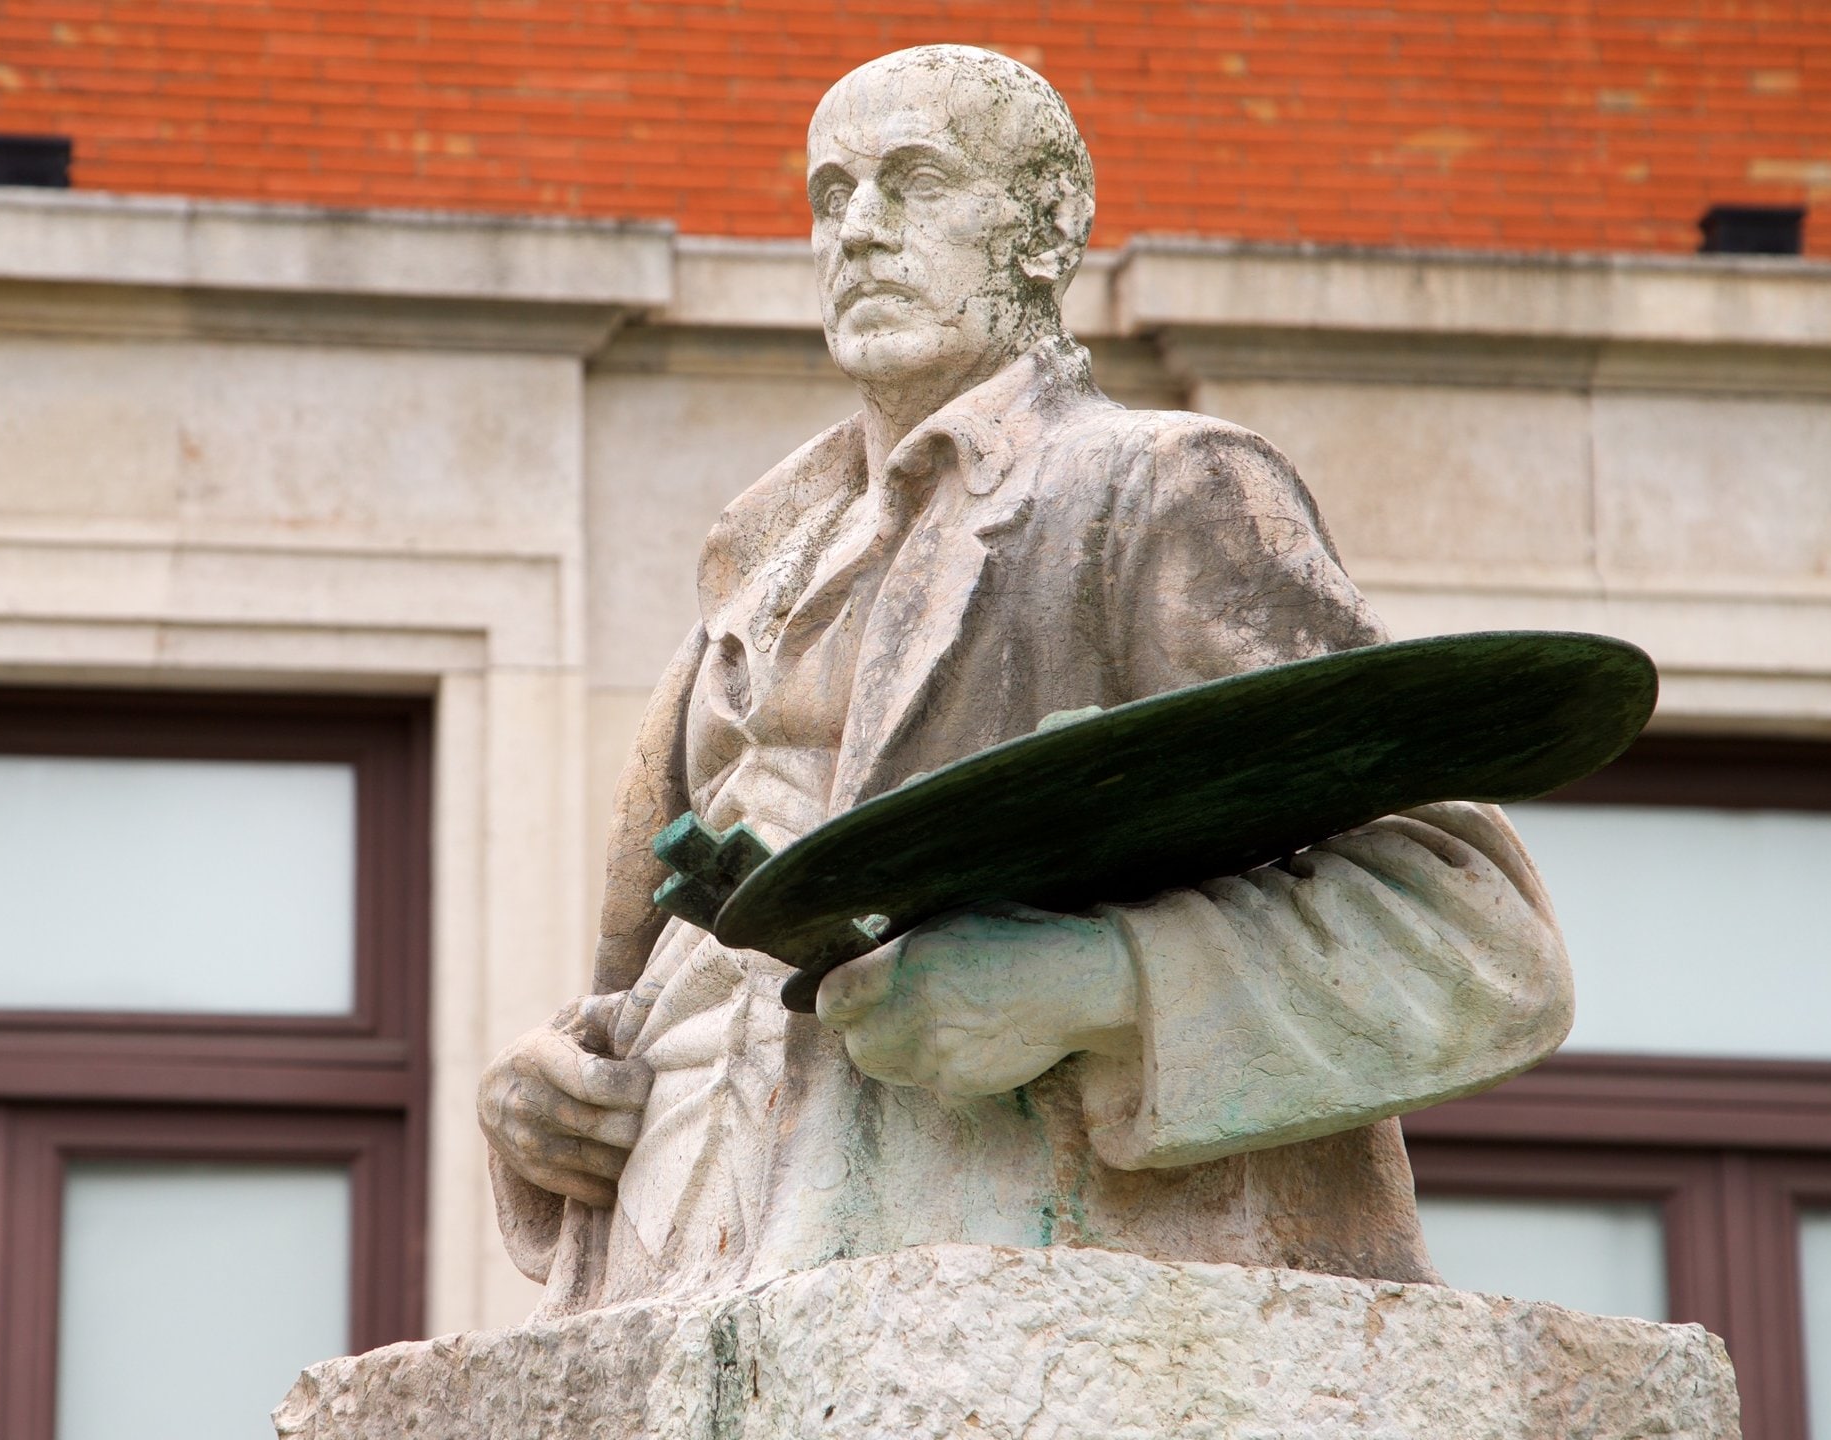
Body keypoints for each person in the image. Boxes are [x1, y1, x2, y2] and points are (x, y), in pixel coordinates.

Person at [478, 43, 1572, 1317]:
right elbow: (660, 972)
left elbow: (1476, 945)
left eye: (915, 181)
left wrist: (1093, 985)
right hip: (675, 1284)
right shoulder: (758, 562)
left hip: (994, 1282)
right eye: (831, 196)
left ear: (1050, 229)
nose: (862, 232)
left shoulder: (1155, 489)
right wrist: (554, 1099)